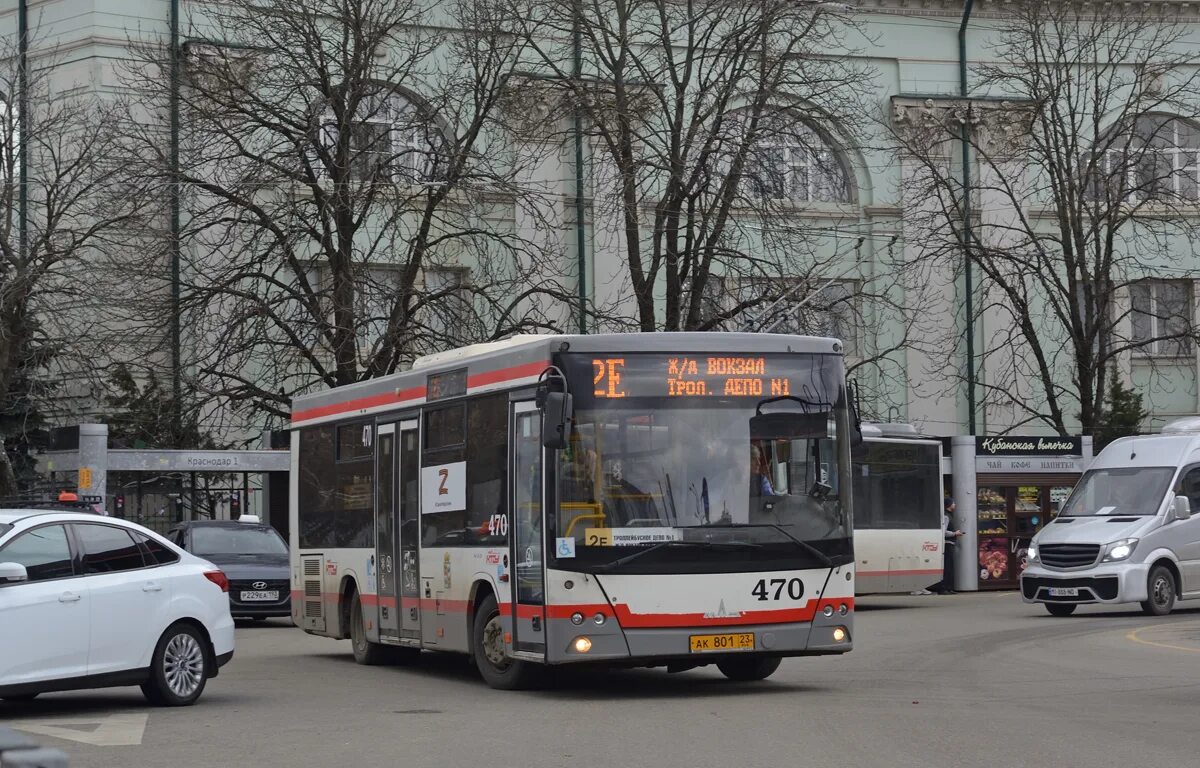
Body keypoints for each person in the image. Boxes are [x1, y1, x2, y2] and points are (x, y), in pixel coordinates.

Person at [934, 496, 965, 595]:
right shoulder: (946, 516)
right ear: (949, 505)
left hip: (950, 543)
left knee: (950, 567)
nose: (955, 505)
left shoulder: (949, 515)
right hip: (947, 544)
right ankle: (943, 588)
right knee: (947, 567)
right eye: (953, 503)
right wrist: (954, 533)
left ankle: (948, 588)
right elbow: (943, 532)